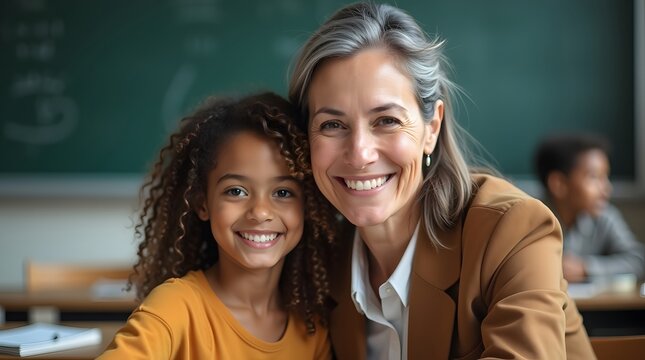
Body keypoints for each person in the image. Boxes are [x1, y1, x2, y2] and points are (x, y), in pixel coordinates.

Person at [288, 2, 594, 359]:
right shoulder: (323, 260)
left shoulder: (512, 231)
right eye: (332, 125)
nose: (359, 154)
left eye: (386, 120)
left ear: (431, 128)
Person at [98, 92, 336, 359]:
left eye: (282, 193)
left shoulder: (313, 326)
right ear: (203, 204)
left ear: (307, 207)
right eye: (236, 191)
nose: (259, 212)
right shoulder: (175, 307)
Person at [535, 133, 645, 283]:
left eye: (605, 177)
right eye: (594, 177)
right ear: (559, 184)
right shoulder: (531, 221)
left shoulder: (605, 217)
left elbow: (638, 261)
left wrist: (585, 268)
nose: (606, 189)